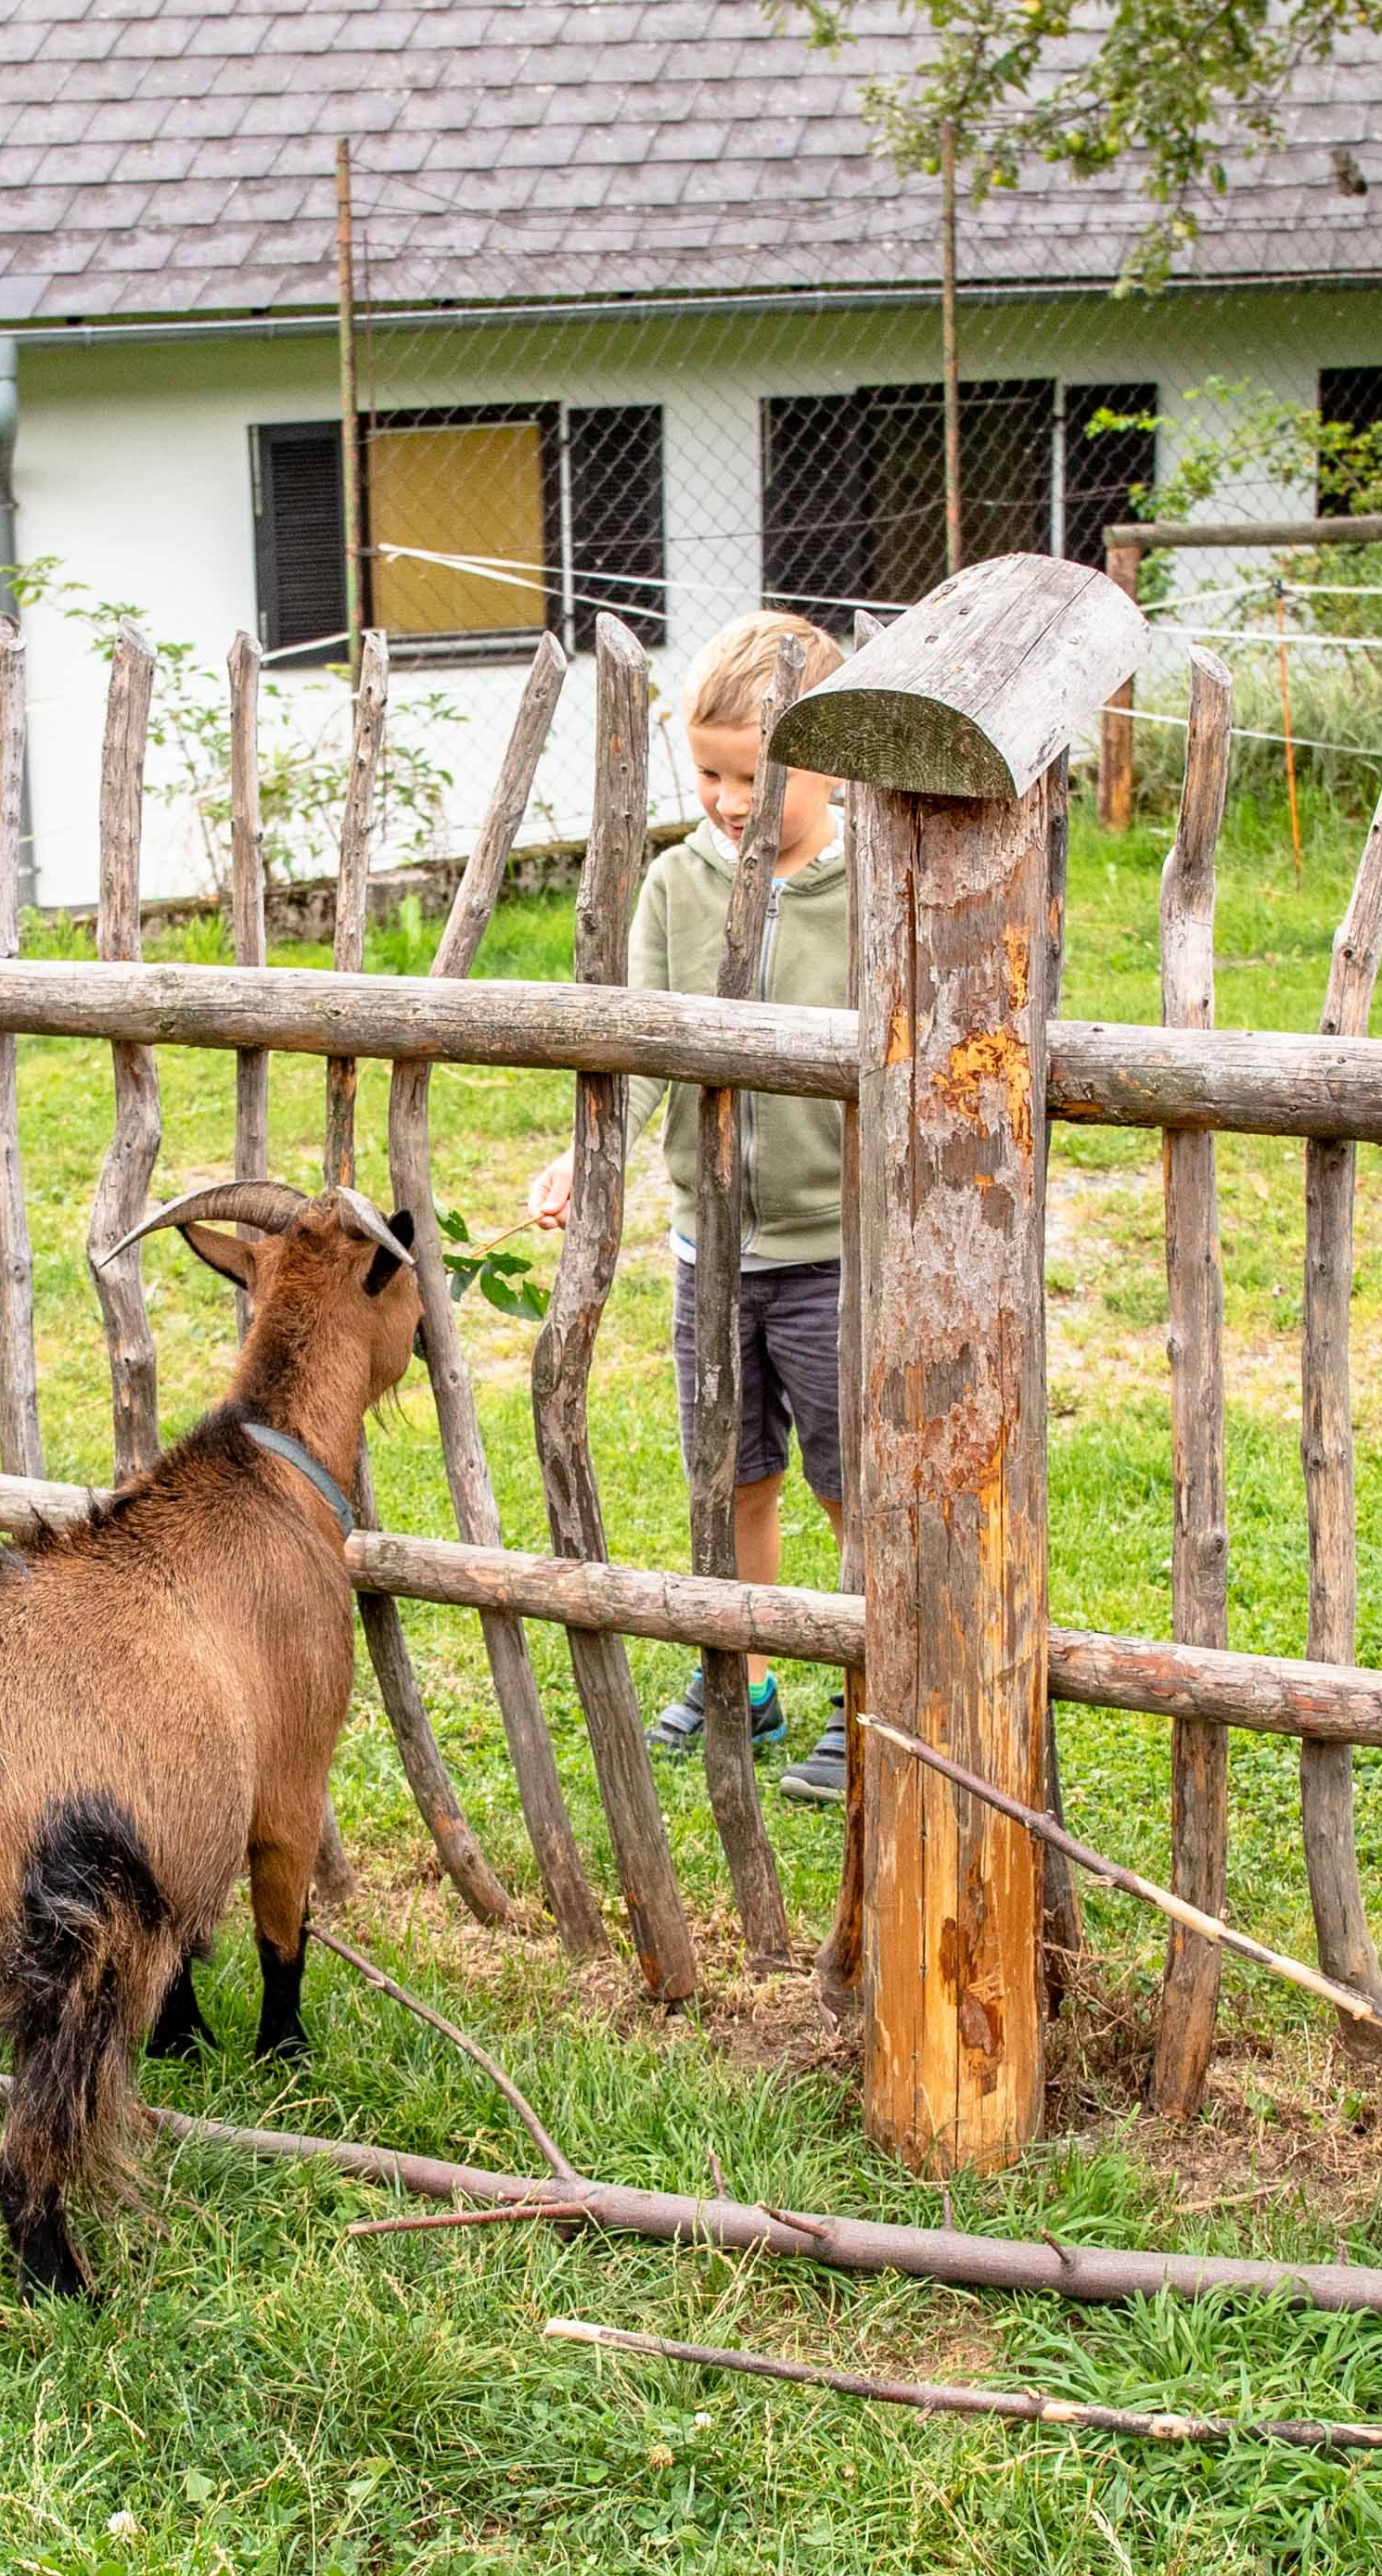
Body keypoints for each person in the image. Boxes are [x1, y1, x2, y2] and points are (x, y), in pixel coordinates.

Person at [522, 608, 858, 1805]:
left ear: (828, 764)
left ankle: (865, 1696)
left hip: (830, 1254)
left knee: (845, 1485)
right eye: (707, 773)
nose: (724, 800)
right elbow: (649, 1042)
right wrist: (585, 1158)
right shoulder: (675, 885)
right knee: (731, 1476)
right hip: (708, 1248)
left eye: (749, 775)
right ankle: (748, 1678)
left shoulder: (866, 894)